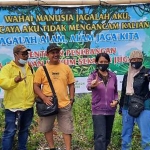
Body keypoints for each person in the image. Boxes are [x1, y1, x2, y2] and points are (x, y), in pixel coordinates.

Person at [33, 43, 75, 150]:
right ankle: (52, 148)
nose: (55, 54)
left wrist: (71, 99)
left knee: (67, 129)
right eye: (53, 52)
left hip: (64, 104)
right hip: (48, 104)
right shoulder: (41, 69)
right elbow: (36, 86)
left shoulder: (66, 68)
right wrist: (44, 98)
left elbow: (71, 84)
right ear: (47, 54)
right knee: (47, 128)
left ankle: (68, 148)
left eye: (57, 52)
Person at [0, 44, 35, 150]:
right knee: (10, 132)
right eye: (23, 54)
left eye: (27, 54)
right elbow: (3, 83)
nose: (26, 56)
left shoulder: (29, 68)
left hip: (27, 107)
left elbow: (33, 85)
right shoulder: (7, 68)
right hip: (12, 108)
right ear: (16, 54)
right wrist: (14, 81)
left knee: (24, 131)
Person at [86, 53, 119, 150]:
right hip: (98, 110)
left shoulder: (113, 76)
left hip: (110, 110)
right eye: (101, 62)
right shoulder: (93, 75)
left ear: (109, 62)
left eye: (105, 62)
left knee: (107, 137)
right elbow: (88, 86)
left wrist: (116, 100)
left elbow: (115, 92)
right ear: (96, 62)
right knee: (100, 137)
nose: (103, 63)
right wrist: (92, 85)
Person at [119, 50, 150, 150]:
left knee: (146, 137)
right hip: (127, 106)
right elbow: (123, 92)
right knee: (125, 136)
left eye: (138, 59)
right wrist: (121, 107)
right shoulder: (126, 75)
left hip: (144, 106)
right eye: (133, 59)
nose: (136, 61)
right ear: (130, 60)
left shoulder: (146, 73)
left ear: (142, 60)